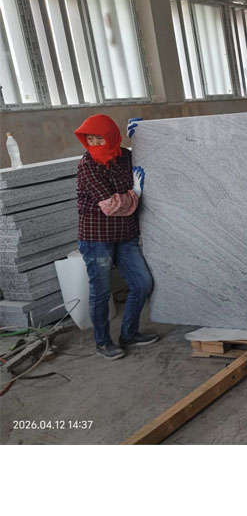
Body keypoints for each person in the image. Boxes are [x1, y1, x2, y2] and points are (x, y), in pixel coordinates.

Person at [74, 114, 156, 360]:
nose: (95, 144)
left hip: (125, 234)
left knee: (142, 283)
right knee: (101, 291)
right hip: (97, 237)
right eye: (90, 139)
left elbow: (150, 160)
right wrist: (135, 193)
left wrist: (142, 137)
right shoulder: (88, 166)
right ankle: (102, 343)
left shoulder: (125, 157)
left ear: (111, 137)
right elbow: (110, 205)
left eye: (100, 138)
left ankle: (129, 334)